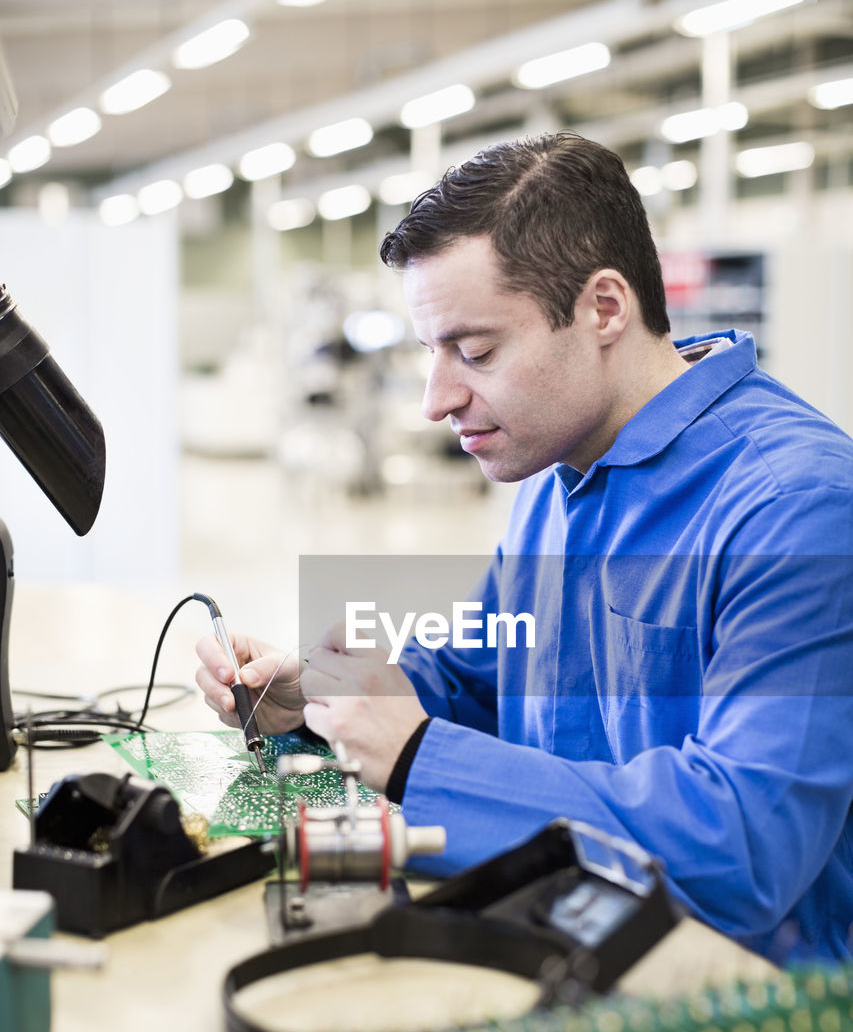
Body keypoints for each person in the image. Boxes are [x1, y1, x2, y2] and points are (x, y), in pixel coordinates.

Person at [196, 131, 853, 964]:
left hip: (744, 1002)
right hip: (569, 935)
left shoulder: (795, 508)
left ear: (604, 309)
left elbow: (746, 846)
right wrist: (325, 701)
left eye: (475, 352)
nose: (438, 399)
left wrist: (418, 758)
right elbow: (482, 678)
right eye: (431, 354)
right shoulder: (557, 469)